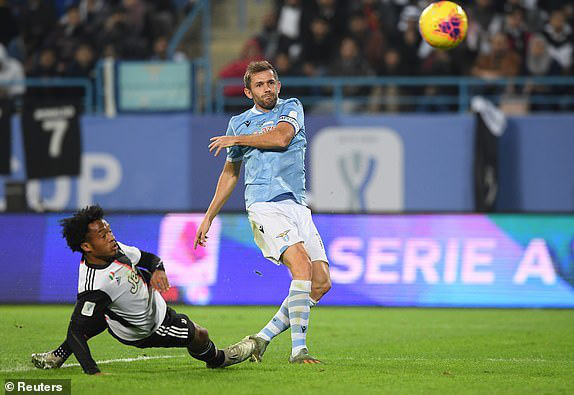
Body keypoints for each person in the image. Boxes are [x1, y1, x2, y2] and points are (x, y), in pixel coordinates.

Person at [194, 60, 332, 364]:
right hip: (263, 205)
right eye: (259, 84)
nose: (267, 89)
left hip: (296, 205)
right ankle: (299, 351)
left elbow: (281, 138)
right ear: (247, 91)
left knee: (321, 283)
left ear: (278, 85)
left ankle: (261, 339)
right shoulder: (239, 122)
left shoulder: (291, 107)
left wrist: (237, 139)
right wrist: (209, 216)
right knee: (301, 266)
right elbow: (230, 174)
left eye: (271, 83)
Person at [31, 205, 256, 374]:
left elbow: (148, 258)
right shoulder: (94, 286)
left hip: (123, 311)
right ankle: (219, 358)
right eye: (103, 235)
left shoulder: (115, 250)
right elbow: (75, 331)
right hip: (151, 326)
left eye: (109, 230)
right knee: (200, 334)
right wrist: (93, 372)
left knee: (103, 312)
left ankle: (57, 356)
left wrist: (158, 269)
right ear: (87, 247)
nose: (111, 237)